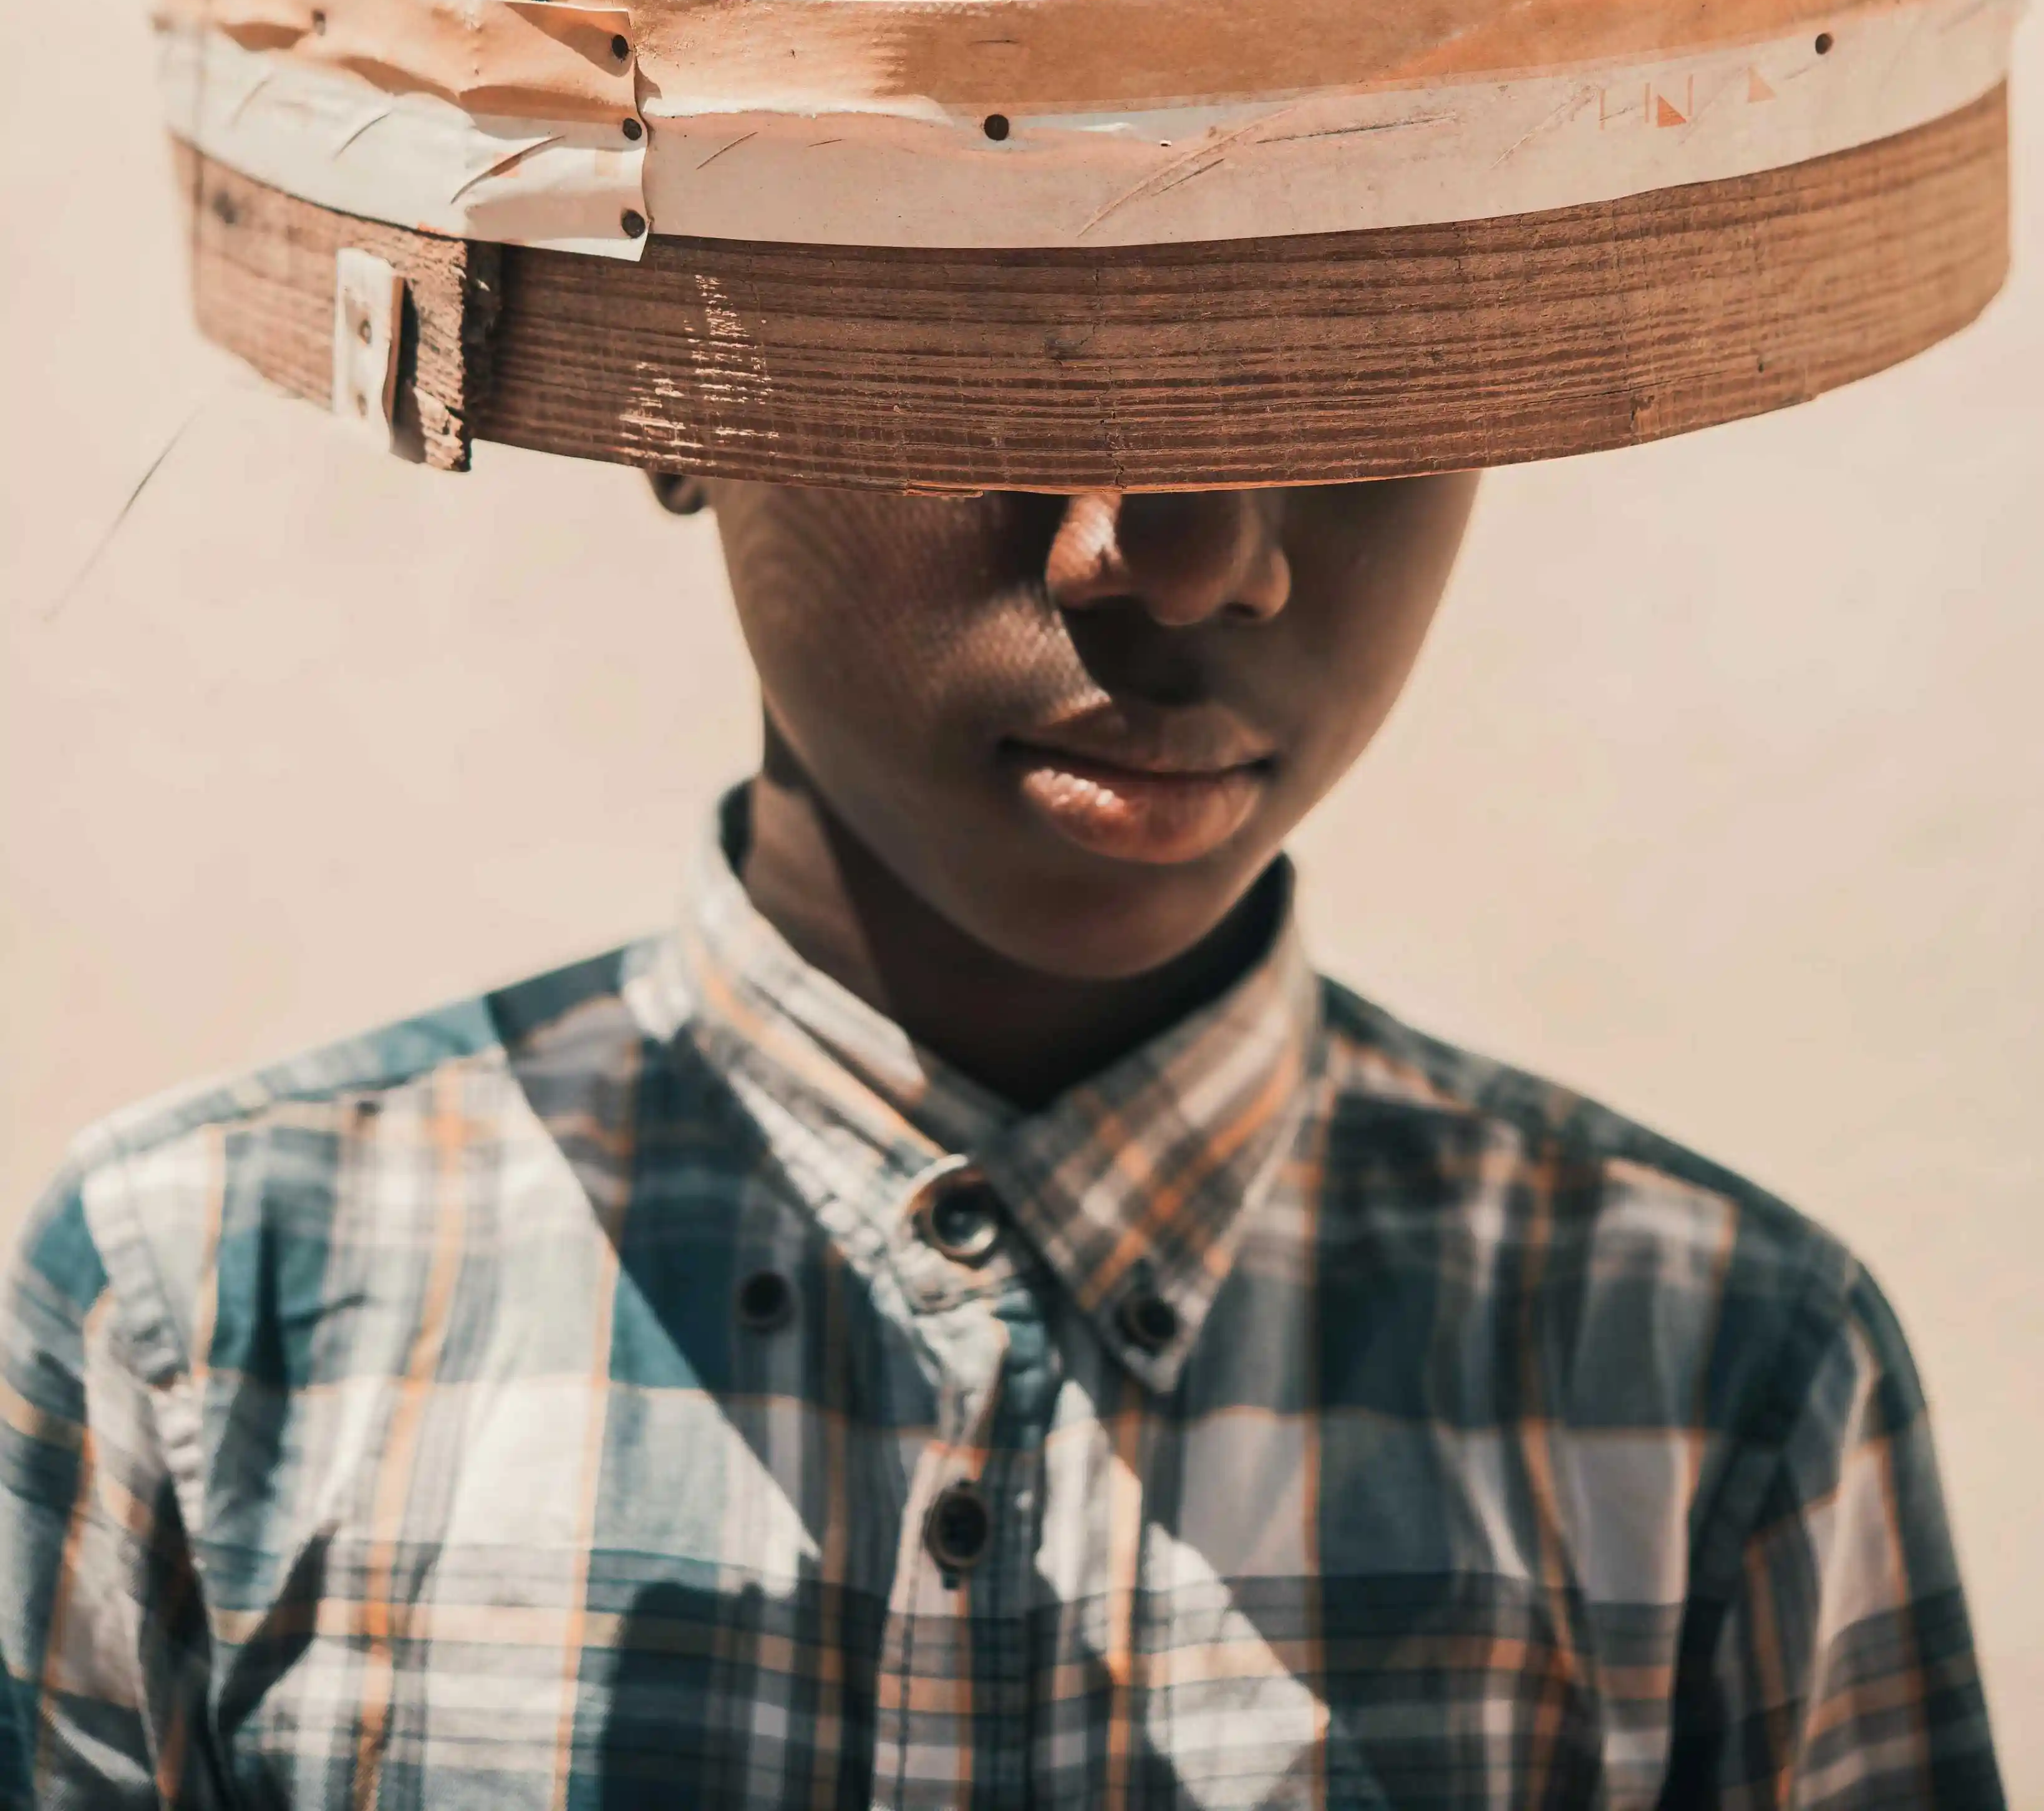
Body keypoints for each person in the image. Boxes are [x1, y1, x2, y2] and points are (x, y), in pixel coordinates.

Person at [0, 469, 2005, 1807]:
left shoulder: (1711, 1380)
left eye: (1367, 355)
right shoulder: (207, 1310)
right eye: (1023, 337)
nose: (1202, 549)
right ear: (666, 397)